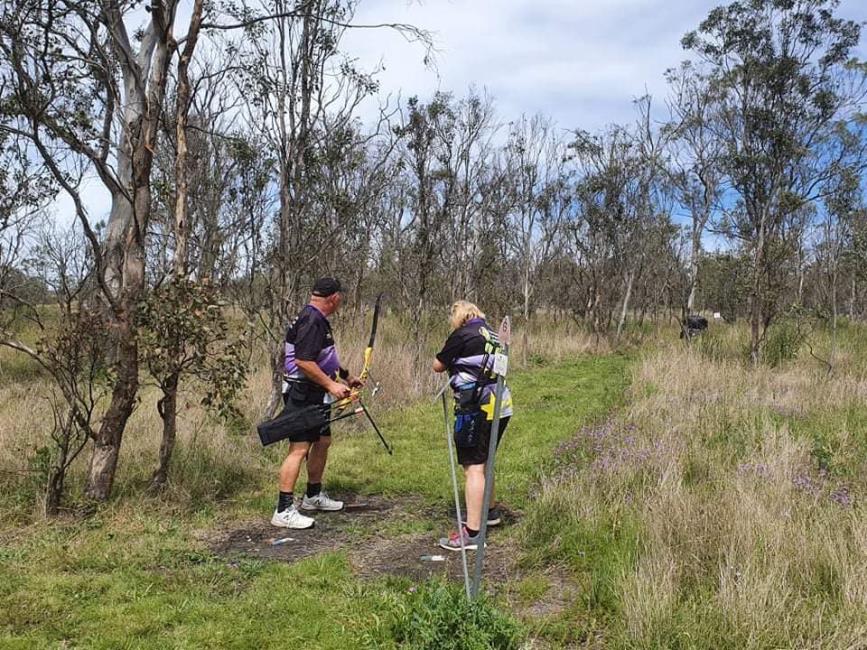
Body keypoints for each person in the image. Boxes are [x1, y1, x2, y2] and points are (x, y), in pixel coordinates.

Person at [271, 277, 362, 529]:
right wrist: (331, 385)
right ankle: (283, 509)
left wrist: (346, 377)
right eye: (340, 297)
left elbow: (324, 356)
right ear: (334, 298)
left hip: (316, 392)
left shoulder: (319, 319)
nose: (341, 301)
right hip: (302, 392)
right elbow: (303, 361)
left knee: (322, 441)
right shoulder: (311, 320)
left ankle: (313, 495)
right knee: (299, 449)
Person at [433, 300, 513, 551]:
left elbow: (437, 365)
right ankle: (490, 512)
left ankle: (473, 533)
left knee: (473, 467)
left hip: (477, 406)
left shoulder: (462, 335)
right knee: (485, 459)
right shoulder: (492, 334)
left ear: (459, 317)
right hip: (501, 403)